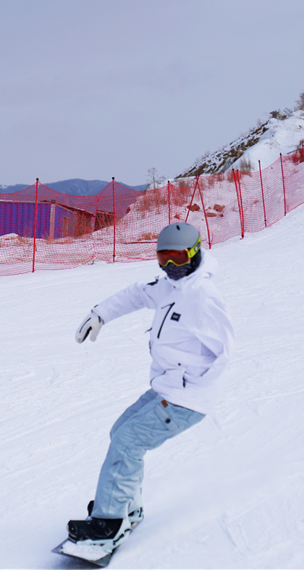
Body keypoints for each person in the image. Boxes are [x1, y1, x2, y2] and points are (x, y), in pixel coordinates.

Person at [68, 222, 234, 554]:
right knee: (120, 432)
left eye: (177, 257)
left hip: (185, 397)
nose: (170, 265)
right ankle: (127, 506)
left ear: (194, 253)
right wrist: (100, 314)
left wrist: (191, 384)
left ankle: (108, 524)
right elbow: (136, 293)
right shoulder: (170, 286)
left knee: (129, 441)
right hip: (167, 388)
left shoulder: (203, 296)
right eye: (163, 257)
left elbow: (224, 351)